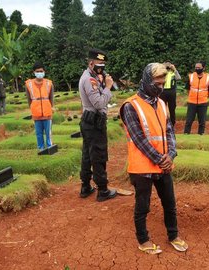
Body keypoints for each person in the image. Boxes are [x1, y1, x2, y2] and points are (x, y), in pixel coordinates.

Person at [120, 62, 187, 254]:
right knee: (143, 206)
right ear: (147, 81)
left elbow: (169, 132)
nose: (161, 86)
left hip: (163, 164)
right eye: (158, 82)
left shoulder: (162, 104)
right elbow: (139, 138)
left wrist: (171, 155)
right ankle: (143, 240)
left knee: (170, 203)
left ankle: (173, 235)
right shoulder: (131, 106)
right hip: (142, 167)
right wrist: (160, 158)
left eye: (163, 82)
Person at [78, 48, 117, 202]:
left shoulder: (94, 77)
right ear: (91, 63)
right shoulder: (89, 80)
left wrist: (104, 83)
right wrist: (107, 87)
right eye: (100, 63)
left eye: (103, 64)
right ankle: (103, 190)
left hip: (89, 120)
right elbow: (99, 102)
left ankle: (86, 186)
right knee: (98, 154)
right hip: (94, 122)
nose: (102, 67)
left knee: (87, 154)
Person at [25, 62, 54, 150]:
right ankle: (41, 148)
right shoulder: (29, 84)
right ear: (34, 72)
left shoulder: (49, 83)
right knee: (39, 133)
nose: (39, 73)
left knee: (48, 133)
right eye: (37, 71)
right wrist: (33, 108)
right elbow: (29, 99)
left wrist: (49, 108)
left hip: (47, 112)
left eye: (41, 71)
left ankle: (49, 147)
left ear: (44, 71)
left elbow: (51, 98)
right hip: (36, 113)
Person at [183, 61, 209, 135]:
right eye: (196, 67)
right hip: (191, 102)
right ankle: (186, 134)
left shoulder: (208, 77)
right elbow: (187, 89)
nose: (197, 69)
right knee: (189, 121)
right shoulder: (191, 76)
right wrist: (191, 96)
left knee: (202, 122)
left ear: (203, 68)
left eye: (199, 67)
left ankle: (201, 135)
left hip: (203, 102)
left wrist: (205, 97)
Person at [159, 61, 181, 126]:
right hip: (162, 92)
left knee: (172, 108)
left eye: (168, 64)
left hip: (171, 92)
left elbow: (179, 78)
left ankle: (172, 123)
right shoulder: (162, 73)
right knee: (162, 108)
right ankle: (163, 123)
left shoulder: (173, 73)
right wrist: (161, 68)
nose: (167, 66)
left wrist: (174, 69)